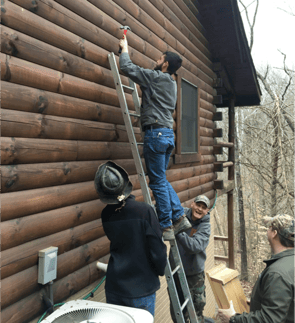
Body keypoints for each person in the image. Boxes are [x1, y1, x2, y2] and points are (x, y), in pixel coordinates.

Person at [119, 35, 191, 241]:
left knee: (157, 182)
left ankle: (166, 225)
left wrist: (124, 47)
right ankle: (178, 216)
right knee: (161, 179)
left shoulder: (157, 77)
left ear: (165, 63)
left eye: (159, 59)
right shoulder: (171, 83)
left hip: (156, 134)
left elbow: (127, 68)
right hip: (167, 134)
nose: (156, 61)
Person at [94, 161, 167, 316]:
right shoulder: (145, 211)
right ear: (125, 184)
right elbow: (157, 250)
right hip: (142, 288)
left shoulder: (106, 215)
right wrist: (160, 270)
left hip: (115, 287)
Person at [218, 213, 295, 323]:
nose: (267, 230)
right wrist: (257, 302)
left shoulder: (277, 273)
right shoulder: (288, 263)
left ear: (274, 233)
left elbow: (270, 319)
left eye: (269, 227)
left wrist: (233, 319)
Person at [169, 195, 214, 323]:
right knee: (177, 311)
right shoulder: (180, 214)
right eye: (198, 205)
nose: (200, 209)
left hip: (194, 276)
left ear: (207, 211)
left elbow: (194, 246)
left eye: (203, 208)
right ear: (192, 204)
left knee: (195, 312)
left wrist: (178, 230)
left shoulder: (205, 226)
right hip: (176, 273)